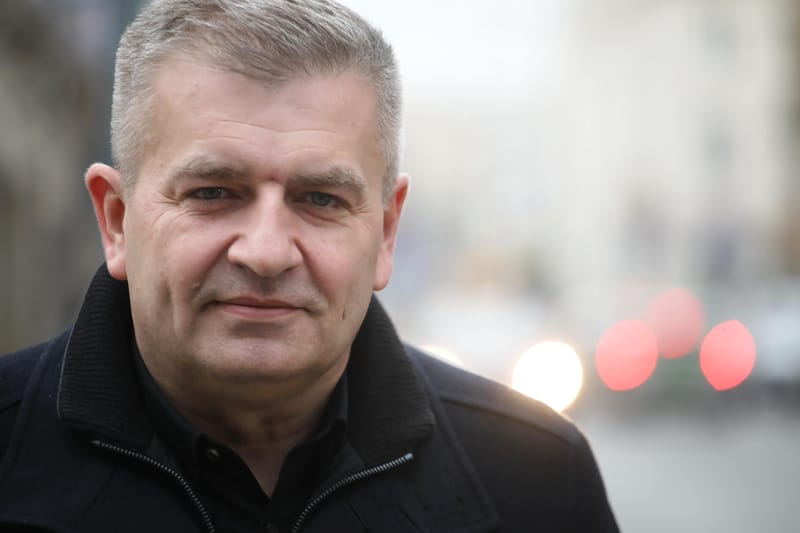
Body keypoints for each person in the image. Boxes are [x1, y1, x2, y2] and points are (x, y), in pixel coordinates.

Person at [0, 1, 619, 531]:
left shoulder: (538, 479)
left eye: (321, 200)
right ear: (116, 220)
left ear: (385, 233)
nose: (267, 252)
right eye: (213, 192)